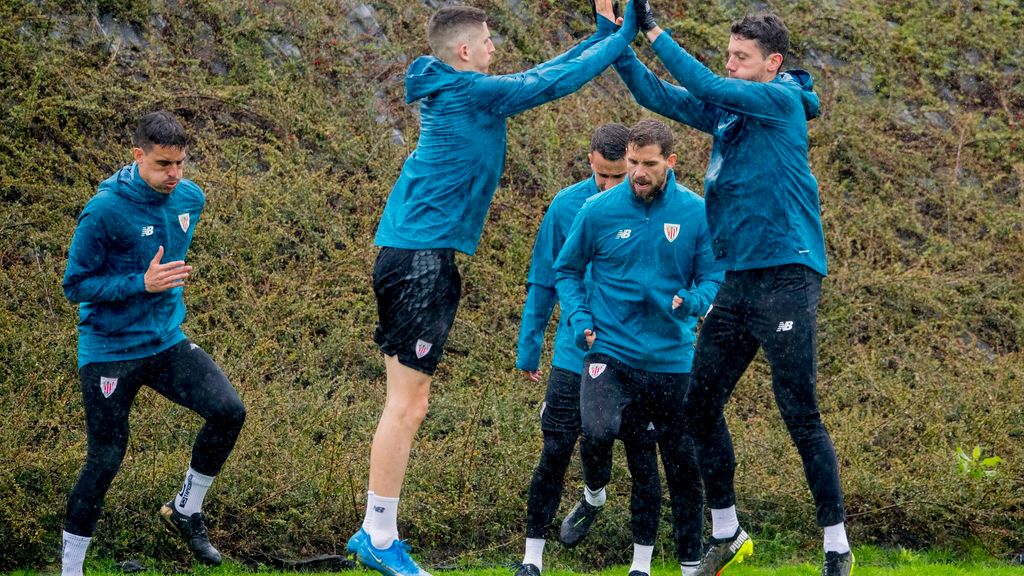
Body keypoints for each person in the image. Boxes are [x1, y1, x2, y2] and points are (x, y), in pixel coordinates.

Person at [345, 3, 642, 576]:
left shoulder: (458, 90)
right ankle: (377, 536)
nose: (493, 48)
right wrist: (628, 28)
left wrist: (604, 33)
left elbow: (546, 71)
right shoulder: (471, 92)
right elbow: (555, 81)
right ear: (464, 52)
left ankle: (377, 531)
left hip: (414, 256)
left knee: (404, 404)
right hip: (420, 263)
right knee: (408, 407)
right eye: (486, 40)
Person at [615, 4, 854, 575]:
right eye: (729, 55)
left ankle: (836, 545)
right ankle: (727, 532)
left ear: (772, 64)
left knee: (799, 410)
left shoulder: (780, 101)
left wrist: (652, 27)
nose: (730, 66)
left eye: (741, 59)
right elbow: (662, 97)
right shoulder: (729, 114)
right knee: (698, 407)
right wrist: (615, 39)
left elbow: (697, 80)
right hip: (739, 280)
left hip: (787, 274)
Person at [60, 110, 246, 575]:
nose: (175, 174)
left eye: (181, 162)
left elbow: (167, 262)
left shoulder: (191, 198)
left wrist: (159, 291)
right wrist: (140, 283)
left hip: (164, 341)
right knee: (105, 458)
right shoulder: (103, 210)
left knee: (228, 411)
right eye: (164, 164)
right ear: (138, 156)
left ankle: (184, 509)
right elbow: (75, 286)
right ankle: (71, 569)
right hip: (110, 351)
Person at [554, 119, 722, 576]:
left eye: (648, 164)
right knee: (596, 433)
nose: (638, 173)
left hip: (671, 358)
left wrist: (694, 301)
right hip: (610, 351)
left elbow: (713, 275)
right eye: (632, 163)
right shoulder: (597, 209)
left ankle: (690, 564)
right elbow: (566, 271)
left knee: (682, 467)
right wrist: (579, 318)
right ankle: (593, 495)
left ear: (670, 162)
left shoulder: (695, 212)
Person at [514, 122, 662, 576]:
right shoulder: (565, 206)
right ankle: (531, 560)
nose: (609, 185)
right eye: (601, 175)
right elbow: (545, 276)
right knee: (555, 449)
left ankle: (641, 565)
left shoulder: (658, 209)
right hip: (573, 352)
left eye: (618, 176)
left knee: (640, 453)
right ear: (591, 162)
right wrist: (529, 346)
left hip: (633, 354)